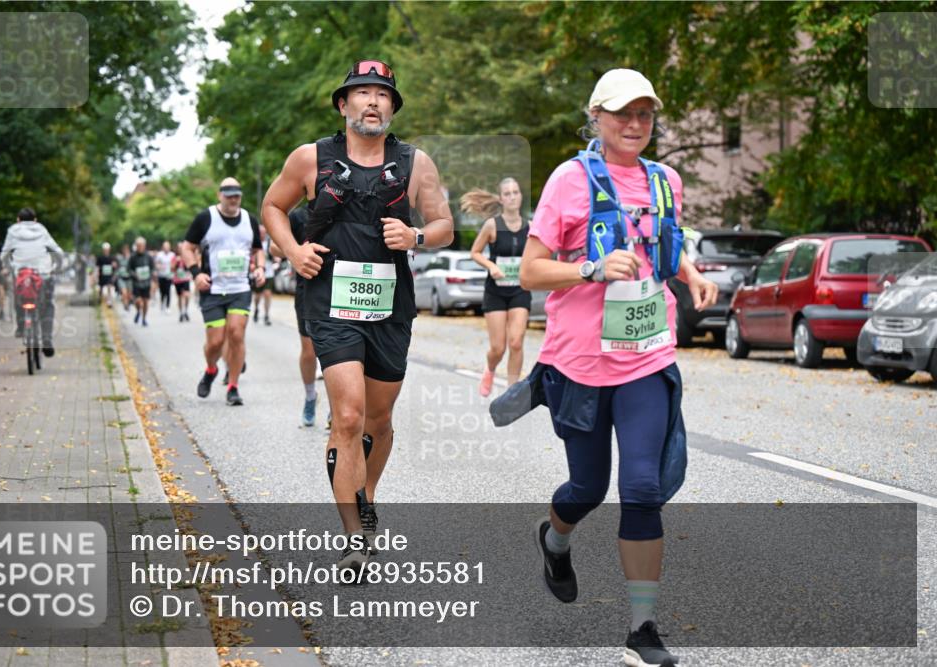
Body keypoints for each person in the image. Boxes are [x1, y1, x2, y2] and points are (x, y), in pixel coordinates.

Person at [519, 69, 717, 667]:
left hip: (646, 356)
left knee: (642, 488)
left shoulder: (666, 181)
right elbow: (530, 271)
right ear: (597, 117)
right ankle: (555, 538)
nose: (635, 125)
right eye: (623, 114)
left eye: (645, 115)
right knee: (587, 487)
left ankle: (642, 630)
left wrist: (693, 274)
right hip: (579, 363)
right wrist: (591, 269)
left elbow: (668, 246)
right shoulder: (569, 180)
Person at [263, 60, 453, 571]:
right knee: (347, 416)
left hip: (391, 306)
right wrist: (291, 251)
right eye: (362, 93)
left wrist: (415, 237)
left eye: (382, 95)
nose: (373, 101)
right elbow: (273, 207)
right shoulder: (310, 159)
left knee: (378, 418)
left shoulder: (416, 164)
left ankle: (365, 495)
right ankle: (354, 537)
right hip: (330, 302)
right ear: (343, 105)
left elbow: (444, 227)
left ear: (392, 107)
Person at [182, 177, 265, 406]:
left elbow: (258, 250)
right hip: (212, 289)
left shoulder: (249, 220)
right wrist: (196, 273)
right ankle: (211, 370)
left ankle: (233, 387)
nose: (232, 199)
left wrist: (259, 268)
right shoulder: (206, 218)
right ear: (220, 195)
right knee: (215, 343)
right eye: (228, 195)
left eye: (236, 195)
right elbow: (187, 248)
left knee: (237, 334)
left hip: (240, 287)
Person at [464, 178, 532, 396]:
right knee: (498, 348)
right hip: (496, 291)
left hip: (520, 289)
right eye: (508, 193)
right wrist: (491, 265)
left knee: (516, 341)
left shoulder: (530, 227)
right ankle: (490, 369)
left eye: (516, 192)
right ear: (501, 199)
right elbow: (475, 252)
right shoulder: (493, 225)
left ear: (521, 196)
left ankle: (511, 392)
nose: (512, 196)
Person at [268, 204, 319, 427]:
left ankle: (339, 407)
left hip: (340, 289)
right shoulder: (299, 216)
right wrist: (296, 248)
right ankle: (310, 396)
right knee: (309, 351)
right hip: (308, 289)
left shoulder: (345, 206)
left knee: (338, 353)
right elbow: (273, 247)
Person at [0, 207, 65, 357]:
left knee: (17, 297)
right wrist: (57, 267)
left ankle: (22, 327)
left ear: (18, 219)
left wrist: (10, 268)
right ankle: (47, 340)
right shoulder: (41, 229)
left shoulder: (12, 230)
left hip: (21, 274)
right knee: (47, 304)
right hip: (42, 274)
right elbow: (58, 252)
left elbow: (4, 255)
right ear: (35, 220)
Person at [128, 237, 154, 326]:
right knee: (138, 301)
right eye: (138, 245)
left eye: (142, 245)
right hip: (136, 283)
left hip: (146, 282)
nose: (140, 247)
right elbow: (129, 269)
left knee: (146, 301)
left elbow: (152, 268)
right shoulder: (133, 257)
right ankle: (138, 310)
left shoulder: (148, 256)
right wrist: (134, 275)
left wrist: (150, 274)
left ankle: (144, 319)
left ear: (144, 246)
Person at [251, 226, 273, 326]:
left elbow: (276, 254)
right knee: (258, 296)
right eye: (260, 232)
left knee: (268, 294)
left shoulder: (269, 243)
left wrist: (276, 259)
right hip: (258, 274)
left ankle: (267, 315)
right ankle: (256, 309)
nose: (262, 234)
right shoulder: (254, 243)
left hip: (269, 273)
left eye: (264, 232)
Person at [171, 241, 192, 322]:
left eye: (181, 247)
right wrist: (176, 262)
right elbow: (171, 269)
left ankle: (186, 310)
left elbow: (191, 266)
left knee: (187, 295)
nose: (180, 249)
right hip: (177, 280)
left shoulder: (186, 256)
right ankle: (181, 313)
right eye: (179, 248)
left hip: (185, 279)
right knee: (180, 297)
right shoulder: (174, 257)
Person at [154, 240, 176, 313]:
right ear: (163, 247)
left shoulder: (172, 255)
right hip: (161, 275)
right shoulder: (159, 255)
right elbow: (156, 264)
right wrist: (159, 267)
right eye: (165, 247)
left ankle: (167, 306)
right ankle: (162, 304)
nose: (166, 248)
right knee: (162, 291)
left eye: (168, 247)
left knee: (168, 291)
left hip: (169, 275)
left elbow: (175, 264)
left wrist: (173, 267)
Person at [95, 242, 118, 307]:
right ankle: (99, 299)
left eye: (107, 249)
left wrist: (114, 266)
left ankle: (109, 301)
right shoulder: (100, 258)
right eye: (105, 250)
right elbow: (97, 267)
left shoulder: (112, 257)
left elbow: (115, 266)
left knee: (109, 287)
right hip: (102, 276)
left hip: (109, 275)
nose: (106, 251)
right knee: (101, 288)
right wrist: (96, 275)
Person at [116, 244, 132, 310]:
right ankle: (125, 304)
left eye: (126, 250)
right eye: (124, 250)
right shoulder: (119, 258)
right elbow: (117, 267)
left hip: (129, 278)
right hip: (121, 278)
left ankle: (128, 303)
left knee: (129, 294)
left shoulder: (131, 258)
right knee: (124, 292)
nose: (125, 252)